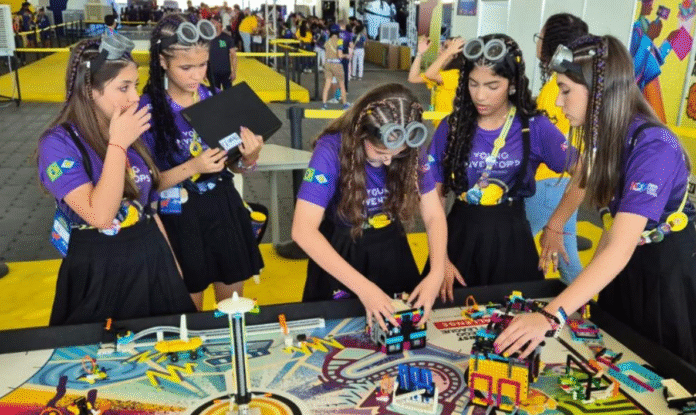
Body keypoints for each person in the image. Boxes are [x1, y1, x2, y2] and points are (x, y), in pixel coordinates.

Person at [495, 35, 696, 366]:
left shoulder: (655, 146)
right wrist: (576, 299)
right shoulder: (607, 135)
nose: (558, 101)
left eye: (565, 90)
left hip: (664, 275)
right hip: (624, 267)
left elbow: (621, 246)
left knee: (659, 370)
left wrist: (551, 316)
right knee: (614, 356)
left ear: (599, 92)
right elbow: (612, 228)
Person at [37, 35, 196, 325]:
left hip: (151, 257)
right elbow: (100, 215)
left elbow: (147, 207)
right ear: (89, 91)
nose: (135, 97)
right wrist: (118, 144)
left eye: (135, 85)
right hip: (99, 269)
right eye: (124, 87)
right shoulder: (58, 144)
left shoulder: (125, 128)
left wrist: (174, 269)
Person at [422, 34, 572, 300]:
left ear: (512, 84)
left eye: (492, 86)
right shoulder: (451, 127)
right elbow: (433, 195)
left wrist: (556, 223)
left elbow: (585, 173)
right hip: (457, 238)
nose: (480, 95)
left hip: (512, 241)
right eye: (473, 84)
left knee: (514, 316)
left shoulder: (534, 126)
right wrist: (440, 258)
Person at [292, 83, 447, 327]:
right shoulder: (330, 149)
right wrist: (364, 288)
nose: (388, 161)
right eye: (379, 152)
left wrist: (437, 272)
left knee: (400, 326)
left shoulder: (411, 147)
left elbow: (433, 214)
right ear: (361, 133)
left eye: (398, 154)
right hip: (342, 250)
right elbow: (303, 231)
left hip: (390, 247)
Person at [142, 14, 264, 310]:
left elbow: (231, 165)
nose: (196, 75)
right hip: (177, 217)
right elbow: (142, 186)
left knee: (233, 309)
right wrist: (193, 167)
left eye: (202, 65)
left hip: (223, 206)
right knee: (189, 313)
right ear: (162, 62)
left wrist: (249, 157)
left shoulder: (215, 97)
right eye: (186, 67)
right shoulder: (145, 112)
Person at [524, 13, 588, 284]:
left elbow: (544, 143)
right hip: (565, 183)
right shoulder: (573, 83)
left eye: (540, 37)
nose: (538, 43)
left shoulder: (556, 90)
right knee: (567, 257)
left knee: (514, 248)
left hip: (547, 184)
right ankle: (582, 304)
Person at [408, 36, 464, 128]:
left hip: (451, 127)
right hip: (439, 124)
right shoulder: (440, 73)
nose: (440, 50)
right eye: (442, 46)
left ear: (454, 55)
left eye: (446, 47)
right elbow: (412, 78)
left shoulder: (455, 75)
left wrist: (447, 52)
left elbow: (429, 74)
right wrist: (419, 53)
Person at [322, 24, 348, 109]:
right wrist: (346, 55)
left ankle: (324, 105)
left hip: (328, 64)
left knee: (327, 86)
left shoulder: (327, 41)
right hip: (336, 65)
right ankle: (345, 104)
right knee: (342, 85)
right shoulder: (339, 41)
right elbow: (340, 55)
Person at [209, 14, 237, 89]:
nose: (211, 25)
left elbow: (233, 56)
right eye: (211, 22)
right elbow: (204, 56)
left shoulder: (227, 38)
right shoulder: (208, 38)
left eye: (213, 23)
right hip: (212, 72)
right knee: (215, 94)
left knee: (228, 94)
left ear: (219, 24)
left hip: (226, 72)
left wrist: (234, 71)